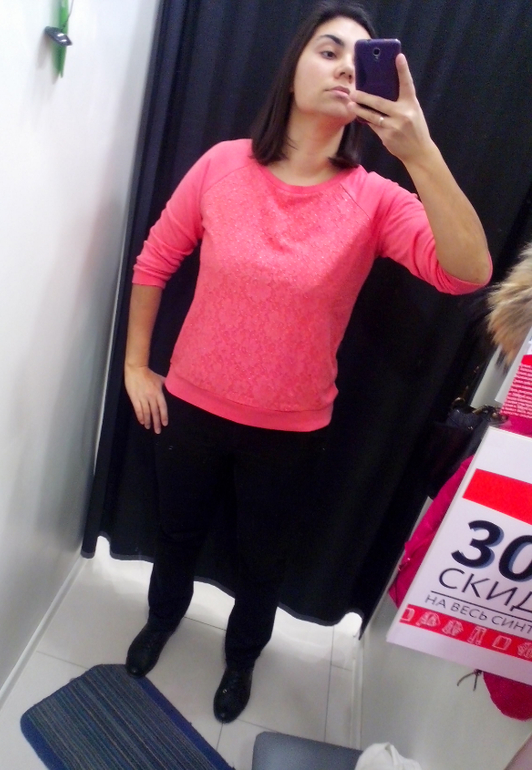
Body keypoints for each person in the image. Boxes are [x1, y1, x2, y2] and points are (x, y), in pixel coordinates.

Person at [123, 0, 492, 723]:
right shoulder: (222, 165)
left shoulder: (376, 200)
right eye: (329, 50)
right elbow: (155, 260)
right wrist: (138, 366)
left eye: (361, 58)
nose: (346, 67)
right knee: (177, 532)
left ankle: (241, 659)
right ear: (293, 67)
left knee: (263, 563)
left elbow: (468, 271)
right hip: (190, 407)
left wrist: (420, 152)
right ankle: (162, 619)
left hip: (290, 433)